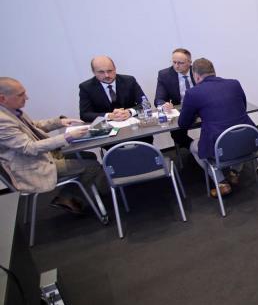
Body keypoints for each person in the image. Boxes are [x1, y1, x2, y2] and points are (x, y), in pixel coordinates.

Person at [0, 77, 104, 215]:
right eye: (20, 95)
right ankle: (66, 198)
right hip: (32, 166)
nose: (27, 97)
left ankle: (82, 195)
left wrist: (59, 122)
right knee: (93, 166)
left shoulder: (12, 111)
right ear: (2, 98)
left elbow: (33, 126)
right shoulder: (2, 122)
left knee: (88, 156)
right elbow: (29, 148)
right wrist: (67, 137)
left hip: (41, 157)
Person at [178, 58, 254, 197]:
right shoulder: (234, 83)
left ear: (196, 76)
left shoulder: (193, 93)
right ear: (213, 71)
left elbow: (183, 124)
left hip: (221, 146)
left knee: (194, 146)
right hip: (249, 139)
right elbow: (243, 106)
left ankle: (221, 183)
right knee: (238, 138)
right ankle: (234, 172)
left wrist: (197, 113)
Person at [78, 56, 147, 122]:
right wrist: (108, 116)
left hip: (131, 122)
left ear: (115, 69)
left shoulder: (129, 80)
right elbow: (84, 114)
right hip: (105, 126)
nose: (107, 75)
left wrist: (130, 112)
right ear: (94, 72)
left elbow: (145, 104)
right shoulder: (86, 87)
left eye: (109, 71)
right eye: (101, 72)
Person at [154, 48, 195, 150]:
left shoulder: (197, 71)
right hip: (180, 110)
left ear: (189, 62)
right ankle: (196, 148)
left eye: (180, 63)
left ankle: (209, 147)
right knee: (177, 135)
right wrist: (164, 105)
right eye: (174, 62)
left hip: (200, 107)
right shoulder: (165, 75)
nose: (176, 66)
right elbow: (158, 99)